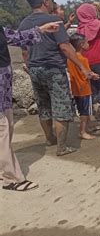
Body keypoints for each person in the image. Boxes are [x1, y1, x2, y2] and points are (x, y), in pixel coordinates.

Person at [18, 0, 99, 156]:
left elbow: (24, 51)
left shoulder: (24, 23)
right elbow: (65, 48)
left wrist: (30, 65)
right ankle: (61, 147)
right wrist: (83, 67)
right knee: (61, 107)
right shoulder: (54, 22)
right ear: (44, 1)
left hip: (35, 69)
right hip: (53, 69)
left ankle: (50, 138)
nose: (50, 1)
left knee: (44, 106)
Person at [1, 22, 60, 191]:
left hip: (4, 88)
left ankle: (4, 169)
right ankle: (12, 178)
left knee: (8, 128)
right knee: (2, 131)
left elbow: (16, 37)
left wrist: (41, 29)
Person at [68, 33, 100, 140]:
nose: (88, 44)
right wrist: (94, 75)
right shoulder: (82, 59)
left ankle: (88, 127)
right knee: (85, 111)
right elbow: (88, 73)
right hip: (84, 88)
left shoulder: (71, 58)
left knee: (82, 109)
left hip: (75, 88)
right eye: (86, 42)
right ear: (81, 44)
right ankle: (82, 131)